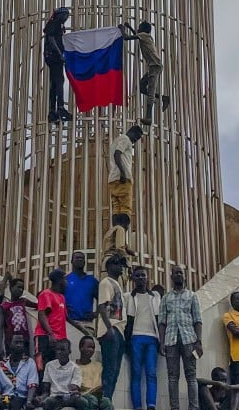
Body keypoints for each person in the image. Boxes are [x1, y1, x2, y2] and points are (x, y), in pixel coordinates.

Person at [158, 265, 202, 410]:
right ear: (171, 277)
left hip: (189, 339)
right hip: (171, 340)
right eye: (175, 273)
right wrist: (161, 342)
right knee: (172, 376)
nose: (178, 275)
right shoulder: (166, 298)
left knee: (191, 376)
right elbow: (162, 322)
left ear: (184, 276)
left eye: (180, 273)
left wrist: (199, 342)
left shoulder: (192, 296)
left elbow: (198, 320)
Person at [118, 21, 170, 126]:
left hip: (155, 66)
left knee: (150, 91)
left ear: (142, 29)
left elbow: (127, 38)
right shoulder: (145, 36)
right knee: (141, 87)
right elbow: (136, 35)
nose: (138, 28)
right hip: (154, 66)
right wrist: (130, 27)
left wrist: (122, 29)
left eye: (139, 27)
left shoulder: (143, 35)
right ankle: (164, 98)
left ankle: (149, 118)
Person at [124, 264, 160, 410]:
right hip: (135, 338)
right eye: (137, 275)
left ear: (147, 278)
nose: (140, 278)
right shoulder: (128, 297)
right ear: (133, 278)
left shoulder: (155, 296)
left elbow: (160, 319)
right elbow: (126, 320)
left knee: (151, 373)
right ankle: (137, 406)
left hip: (152, 338)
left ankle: (151, 405)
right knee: (136, 373)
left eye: (143, 275)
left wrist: (161, 341)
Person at [104, 126, 144, 257]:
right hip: (123, 178)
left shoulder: (117, 140)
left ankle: (115, 242)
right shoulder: (125, 139)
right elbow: (117, 154)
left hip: (113, 179)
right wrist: (122, 172)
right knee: (126, 212)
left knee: (117, 211)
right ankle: (122, 244)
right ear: (132, 132)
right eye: (136, 138)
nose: (134, 142)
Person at [0, 333, 40, 410]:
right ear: (9, 344)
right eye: (16, 342)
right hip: (7, 397)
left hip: (22, 397)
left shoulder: (29, 362)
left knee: (16, 401)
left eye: (21, 342)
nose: (19, 345)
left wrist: (29, 401)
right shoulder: (0, 365)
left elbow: (32, 384)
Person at [96, 253, 127, 400]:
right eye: (117, 264)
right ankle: (105, 399)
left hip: (119, 330)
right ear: (108, 267)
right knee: (110, 368)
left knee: (115, 370)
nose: (120, 267)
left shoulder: (117, 284)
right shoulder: (105, 282)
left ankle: (108, 399)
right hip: (112, 329)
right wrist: (109, 328)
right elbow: (102, 306)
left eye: (121, 264)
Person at [76, 335, 114, 410]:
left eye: (93, 347)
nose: (91, 350)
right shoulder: (74, 366)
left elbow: (99, 384)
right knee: (91, 401)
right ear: (81, 348)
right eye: (89, 347)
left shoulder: (98, 366)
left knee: (107, 403)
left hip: (96, 394)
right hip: (82, 395)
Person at [35, 269, 69, 370]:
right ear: (60, 280)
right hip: (45, 337)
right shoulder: (46, 294)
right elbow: (42, 314)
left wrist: (81, 328)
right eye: (65, 279)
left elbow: (66, 317)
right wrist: (50, 334)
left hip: (60, 339)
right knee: (42, 367)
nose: (67, 282)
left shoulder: (62, 297)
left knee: (57, 369)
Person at [43, 7, 72, 123]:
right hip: (53, 57)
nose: (66, 18)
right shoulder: (54, 23)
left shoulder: (56, 24)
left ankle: (52, 111)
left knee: (54, 84)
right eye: (65, 16)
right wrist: (60, 54)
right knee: (59, 81)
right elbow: (51, 39)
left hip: (52, 57)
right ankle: (60, 107)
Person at [1, 276, 37, 355]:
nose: (21, 290)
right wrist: (7, 276)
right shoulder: (5, 306)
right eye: (18, 287)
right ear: (11, 288)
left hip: (24, 339)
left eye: (22, 288)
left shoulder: (23, 301)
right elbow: (2, 326)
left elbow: (37, 305)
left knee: (25, 362)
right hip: (11, 341)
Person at [65, 251, 99, 336]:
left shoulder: (92, 281)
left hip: (87, 324)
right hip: (69, 323)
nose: (79, 260)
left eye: (82, 258)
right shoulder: (65, 280)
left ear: (85, 262)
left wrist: (96, 313)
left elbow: (103, 300)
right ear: (71, 261)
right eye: (77, 258)